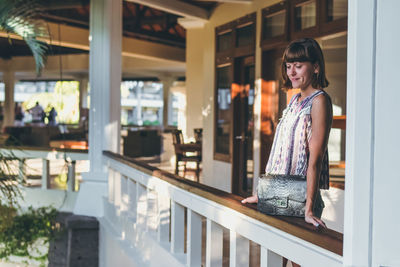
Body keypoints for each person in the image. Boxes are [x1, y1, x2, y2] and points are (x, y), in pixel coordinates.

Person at [242, 38, 332, 265]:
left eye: (298, 65)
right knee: (278, 257)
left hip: (301, 197)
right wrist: (263, 193)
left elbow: (315, 159)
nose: (291, 72)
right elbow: (281, 152)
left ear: (316, 67)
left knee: (297, 261)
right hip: (281, 195)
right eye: (288, 66)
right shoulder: (294, 100)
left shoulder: (319, 101)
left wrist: (309, 208)